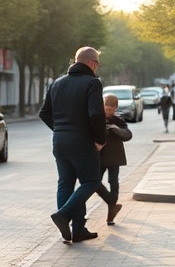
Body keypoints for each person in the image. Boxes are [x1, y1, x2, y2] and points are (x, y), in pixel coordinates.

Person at [39, 46, 108, 243]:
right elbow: (96, 114)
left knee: (66, 183)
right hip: (83, 141)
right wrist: (100, 140)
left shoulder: (57, 83)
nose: (98, 68)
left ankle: (76, 231)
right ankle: (64, 215)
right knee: (91, 181)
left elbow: (44, 113)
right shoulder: (93, 83)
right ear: (92, 63)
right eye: (98, 64)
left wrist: (60, 129)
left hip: (60, 141)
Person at [93, 92, 132, 225]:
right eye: (106, 108)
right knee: (94, 182)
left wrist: (115, 129)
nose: (108, 111)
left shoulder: (118, 120)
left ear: (116, 108)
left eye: (111, 109)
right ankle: (111, 202)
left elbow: (127, 135)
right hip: (100, 156)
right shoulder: (97, 118)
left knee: (113, 181)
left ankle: (111, 213)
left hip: (114, 156)